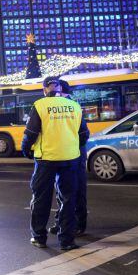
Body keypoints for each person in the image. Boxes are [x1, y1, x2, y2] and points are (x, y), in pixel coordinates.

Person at [21, 76, 89, 251]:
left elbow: (31, 133)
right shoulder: (74, 106)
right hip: (70, 159)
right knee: (68, 199)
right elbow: (84, 134)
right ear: (59, 88)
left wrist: (26, 150)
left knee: (41, 198)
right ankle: (67, 241)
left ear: (45, 89)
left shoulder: (40, 105)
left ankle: (39, 237)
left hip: (46, 159)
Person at [49, 79, 88, 236]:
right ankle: (62, 222)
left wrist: (72, 148)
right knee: (62, 192)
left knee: (75, 191)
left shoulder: (72, 106)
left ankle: (78, 224)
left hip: (74, 155)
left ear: (62, 92)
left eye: (55, 92)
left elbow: (83, 134)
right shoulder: (65, 105)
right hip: (65, 154)